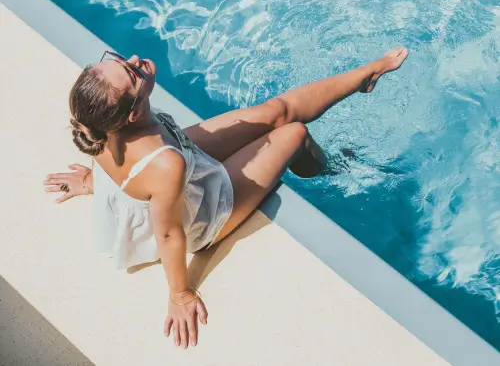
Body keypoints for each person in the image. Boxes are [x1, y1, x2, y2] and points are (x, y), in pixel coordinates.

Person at [43, 47, 408, 349]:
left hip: (183, 161)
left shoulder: (93, 117)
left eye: (120, 60)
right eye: (131, 72)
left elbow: (112, 165)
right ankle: (333, 174)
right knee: (294, 133)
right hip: (205, 212)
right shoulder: (164, 164)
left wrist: (93, 182)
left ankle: (366, 74)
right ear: (134, 111)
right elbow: (170, 235)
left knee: (275, 113)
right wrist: (180, 295)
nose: (136, 59)